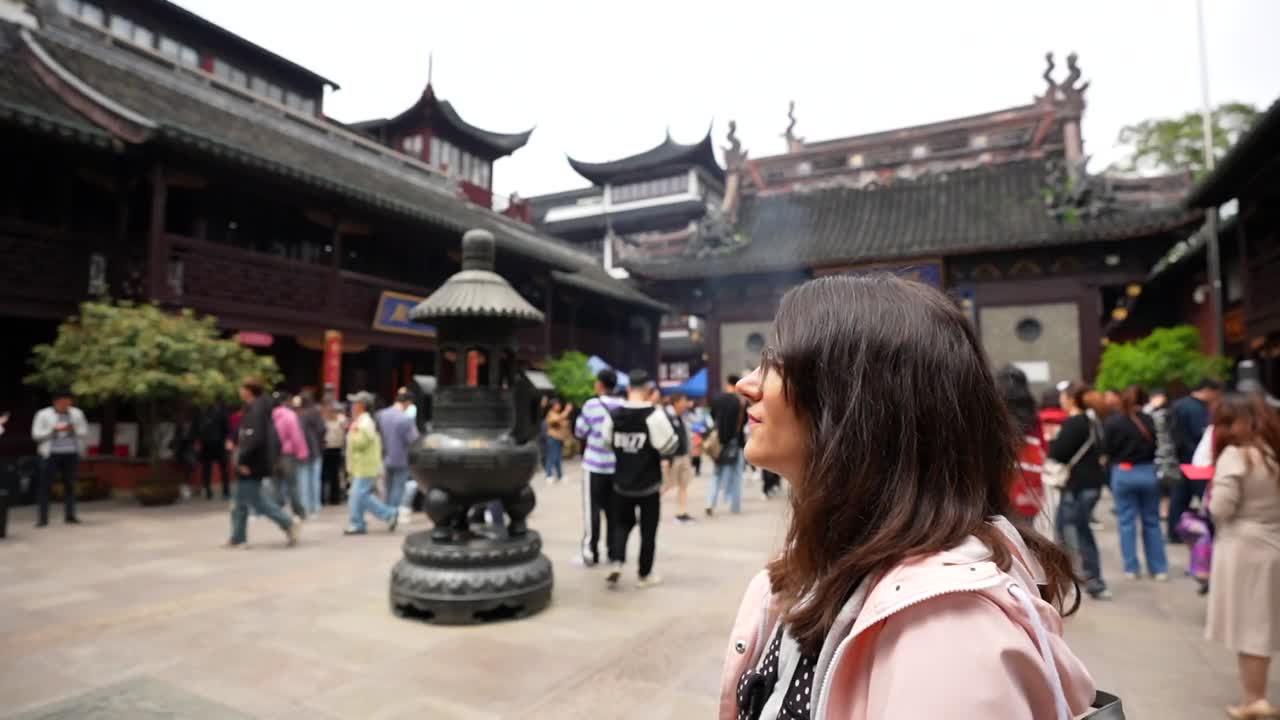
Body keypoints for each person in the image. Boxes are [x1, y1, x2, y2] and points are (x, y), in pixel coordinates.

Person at [720, 275, 1093, 719]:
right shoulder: (822, 566)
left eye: (776, 362)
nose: (746, 384)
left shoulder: (944, 633)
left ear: (855, 400)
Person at [1204, 392, 1280, 719]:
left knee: (1251, 627)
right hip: (1273, 539)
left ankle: (1255, 700)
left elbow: (1221, 508)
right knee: (1264, 621)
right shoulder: (1272, 454)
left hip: (1245, 548)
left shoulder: (1236, 456)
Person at [600, 369, 677, 588]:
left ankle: (616, 560)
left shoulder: (613, 415)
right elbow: (669, 445)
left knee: (621, 524)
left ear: (627, 389)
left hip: (621, 483)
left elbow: (606, 442)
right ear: (648, 390)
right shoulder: (654, 415)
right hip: (648, 484)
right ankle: (644, 574)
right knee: (648, 530)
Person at [1049, 382, 1110, 600]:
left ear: (1071, 399)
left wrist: (1053, 441)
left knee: (1071, 531)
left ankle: (1086, 577)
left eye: (1063, 396)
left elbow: (1058, 453)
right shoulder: (1094, 421)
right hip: (1092, 484)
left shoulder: (1074, 423)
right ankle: (1084, 576)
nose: (1060, 400)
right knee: (1077, 529)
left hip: (1076, 486)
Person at [1104, 385, 1169, 580]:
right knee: (1152, 522)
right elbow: (1159, 446)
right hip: (1148, 471)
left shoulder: (1113, 422)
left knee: (1126, 522)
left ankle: (1131, 567)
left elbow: (1107, 450)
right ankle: (1159, 568)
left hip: (1123, 472)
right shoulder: (1150, 420)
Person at [227, 377, 299, 548]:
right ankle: (238, 537)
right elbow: (244, 432)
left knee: (255, 501)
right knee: (241, 500)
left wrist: (244, 459)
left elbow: (255, 438)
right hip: (252, 460)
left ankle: (288, 523)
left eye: (242, 387)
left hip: (252, 462)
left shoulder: (257, 410)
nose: (239, 391)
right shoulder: (253, 408)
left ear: (249, 391)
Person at [574, 369, 623, 565]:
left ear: (600, 385)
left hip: (594, 466)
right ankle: (613, 551)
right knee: (613, 511)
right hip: (616, 467)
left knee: (592, 510)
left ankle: (590, 551)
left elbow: (580, 431)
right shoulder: (622, 406)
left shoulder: (591, 405)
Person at [1169, 379, 1223, 543]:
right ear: (1208, 390)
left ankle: (1175, 531)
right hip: (1197, 463)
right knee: (1205, 500)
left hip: (1181, 459)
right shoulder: (1198, 409)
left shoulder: (1178, 405)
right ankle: (1209, 532)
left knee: (1179, 499)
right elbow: (1202, 434)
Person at [996, 365, 1046, 525]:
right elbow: (1042, 445)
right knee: (1026, 529)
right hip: (1029, 475)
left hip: (1002, 476)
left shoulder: (996, 411)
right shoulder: (1033, 413)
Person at [343, 391, 398, 535]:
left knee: (358, 494)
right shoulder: (362, 420)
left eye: (355, 403)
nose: (352, 406)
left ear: (362, 405)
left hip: (365, 465)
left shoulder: (364, 422)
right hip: (361, 465)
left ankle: (382, 515)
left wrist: (352, 431)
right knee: (360, 495)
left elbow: (360, 443)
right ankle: (360, 521)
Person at [31, 390, 88, 527]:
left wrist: (73, 429)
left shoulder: (77, 414)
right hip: (50, 454)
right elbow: (36, 435)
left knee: (70, 485)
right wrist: (53, 430)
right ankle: (42, 519)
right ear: (56, 402)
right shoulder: (43, 414)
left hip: (71, 453)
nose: (66, 405)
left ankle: (70, 515)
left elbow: (84, 431)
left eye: (69, 402)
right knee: (45, 486)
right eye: (63, 402)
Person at [707, 374, 746, 516]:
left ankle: (710, 502)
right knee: (736, 475)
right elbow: (744, 423)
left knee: (716, 474)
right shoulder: (740, 403)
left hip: (719, 442)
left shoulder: (717, 399)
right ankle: (735, 506)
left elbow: (712, 417)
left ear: (727, 384)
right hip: (735, 442)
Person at [376, 390, 420, 511]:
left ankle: (387, 511)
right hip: (401, 458)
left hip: (385, 457)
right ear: (407, 403)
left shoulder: (381, 415)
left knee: (388, 487)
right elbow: (414, 440)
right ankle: (392, 513)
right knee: (398, 488)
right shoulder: (405, 419)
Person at [270, 393, 309, 521]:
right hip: (288, 455)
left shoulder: (269, 415)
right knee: (292, 484)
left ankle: (277, 509)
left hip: (273, 454)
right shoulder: (289, 415)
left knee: (276, 484)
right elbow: (296, 435)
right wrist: (302, 452)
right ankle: (298, 511)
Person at [663, 392, 696, 521]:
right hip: (672, 457)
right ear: (675, 402)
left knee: (684, 484)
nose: (685, 404)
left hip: (684, 456)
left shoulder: (681, 417)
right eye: (683, 401)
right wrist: (664, 457)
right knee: (666, 485)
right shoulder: (667, 417)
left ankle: (681, 512)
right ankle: (645, 507)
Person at [296, 392, 326, 515]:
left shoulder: (301, 415)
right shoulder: (316, 413)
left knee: (303, 479)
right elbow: (322, 429)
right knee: (315, 480)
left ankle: (306, 505)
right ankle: (316, 505)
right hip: (316, 450)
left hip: (303, 451)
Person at [194, 404, 231, 500]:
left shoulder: (200, 412)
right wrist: (227, 440)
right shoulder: (221, 410)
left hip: (206, 444)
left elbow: (195, 429)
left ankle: (208, 491)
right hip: (219, 443)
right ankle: (225, 491)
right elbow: (226, 428)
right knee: (223, 469)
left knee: (207, 469)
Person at [321, 401, 348, 505]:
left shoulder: (339, 420)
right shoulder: (328, 420)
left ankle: (332, 498)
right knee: (330, 475)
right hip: (330, 448)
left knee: (332, 475)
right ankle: (329, 498)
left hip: (333, 449)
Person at [543, 396, 573, 484]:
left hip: (559, 438)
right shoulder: (551, 413)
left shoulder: (558, 414)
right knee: (552, 457)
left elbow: (564, 423)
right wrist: (566, 411)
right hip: (552, 438)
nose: (559, 406)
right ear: (553, 406)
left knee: (558, 458)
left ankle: (560, 475)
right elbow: (556, 420)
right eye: (557, 405)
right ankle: (548, 475)